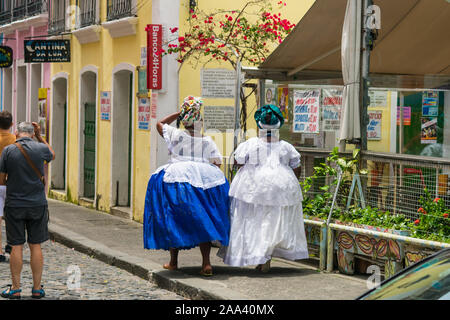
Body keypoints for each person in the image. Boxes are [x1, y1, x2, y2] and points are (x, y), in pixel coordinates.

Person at [143, 96, 230, 276]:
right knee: (203, 220)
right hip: (204, 181)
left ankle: (173, 262)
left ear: (184, 120)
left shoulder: (176, 135)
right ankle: (206, 263)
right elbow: (217, 163)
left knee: (174, 219)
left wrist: (179, 113)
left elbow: (159, 124)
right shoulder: (207, 141)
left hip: (176, 179)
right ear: (199, 120)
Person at [218, 104, 308, 272]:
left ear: (259, 125)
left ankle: (260, 256)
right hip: (280, 188)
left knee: (254, 222)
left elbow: (236, 161)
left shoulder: (250, 144)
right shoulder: (286, 147)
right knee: (273, 223)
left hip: (252, 189)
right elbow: (296, 166)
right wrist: (289, 182)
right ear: (278, 125)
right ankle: (266, 256)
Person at [0, 122, 55, 299]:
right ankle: (37, 288)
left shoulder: (8, 151)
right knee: (35, 245)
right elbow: (52, 154)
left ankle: (15, 288)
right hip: (37, 204)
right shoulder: (40, 148)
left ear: (17, 133)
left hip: (15, 204)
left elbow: (1, 180)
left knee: (16, 245)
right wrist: (40, 136)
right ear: (32, 134)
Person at [0, 111, 16, 263]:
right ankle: (10, 245)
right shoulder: (15, 140)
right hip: (11, 183)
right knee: (11, 217)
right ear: (11, 124)